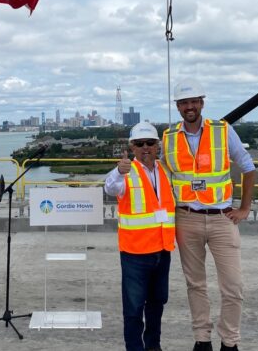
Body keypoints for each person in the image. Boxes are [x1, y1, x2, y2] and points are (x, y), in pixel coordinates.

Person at [162, 80, 256, 351]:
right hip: (186, 218)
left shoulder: (222, 131)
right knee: (196, 284)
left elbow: (248, 168)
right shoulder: (168, 137)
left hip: (221, 218)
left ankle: (230, 341)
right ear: (178, 107)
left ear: (202, 103)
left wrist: (244, 209)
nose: (189, 106)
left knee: (233, 286)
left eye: (194, 101)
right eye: (184, 102)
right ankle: (202, 339)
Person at [104, 122, 175, 351]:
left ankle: (153, 346)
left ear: (157, 146)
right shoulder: (127, 173)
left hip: (162, 251)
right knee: (134, 309)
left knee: (157, 305)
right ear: (132, 147)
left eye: (150, 143)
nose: (145, 148)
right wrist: (118, 170)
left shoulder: (165, 170)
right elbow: (110, 187)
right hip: (135, 254)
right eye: (140, 144)